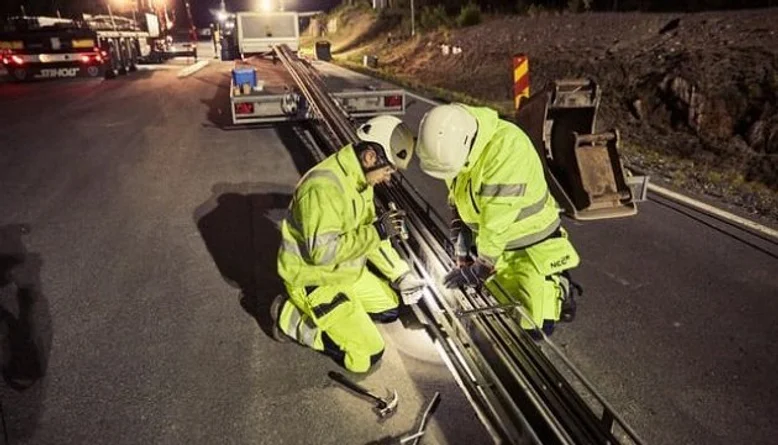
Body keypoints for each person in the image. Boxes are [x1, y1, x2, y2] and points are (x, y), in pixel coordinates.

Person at [272, 115, 426, 373]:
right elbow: (322, 253)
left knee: (390, 308)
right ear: (369, 157)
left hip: (344, 272)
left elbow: (372, 236)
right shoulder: (323, 188)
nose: (388, 178)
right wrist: (377, 231)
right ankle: (288, 315)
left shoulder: (360, 182)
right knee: (366, 356)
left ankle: (344, 316)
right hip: (314, 279)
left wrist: (401, 275)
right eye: (388, 170)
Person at [415, 104, 582, 336]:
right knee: (501, 309)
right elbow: (458, 191)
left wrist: (481, 266)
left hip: (531, 247)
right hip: (495, 245)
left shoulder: (507, 149)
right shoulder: (456, 146)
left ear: (466, 144)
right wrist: (460, 229)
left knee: (536, 326)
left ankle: (560, 287)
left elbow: (497, 221)